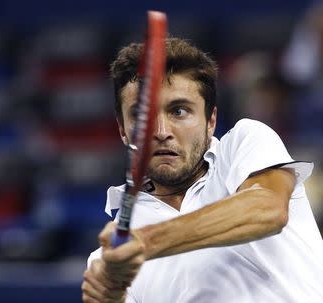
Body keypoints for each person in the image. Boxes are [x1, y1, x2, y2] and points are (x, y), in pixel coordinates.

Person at [81, 37, 323, 303]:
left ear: (211, 121)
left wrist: (147, 242)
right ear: (122, 130)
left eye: (180, 111)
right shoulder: (107, 259)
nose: (162, 132)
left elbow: (267, 209)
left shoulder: (246, 143)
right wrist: (111, 297)